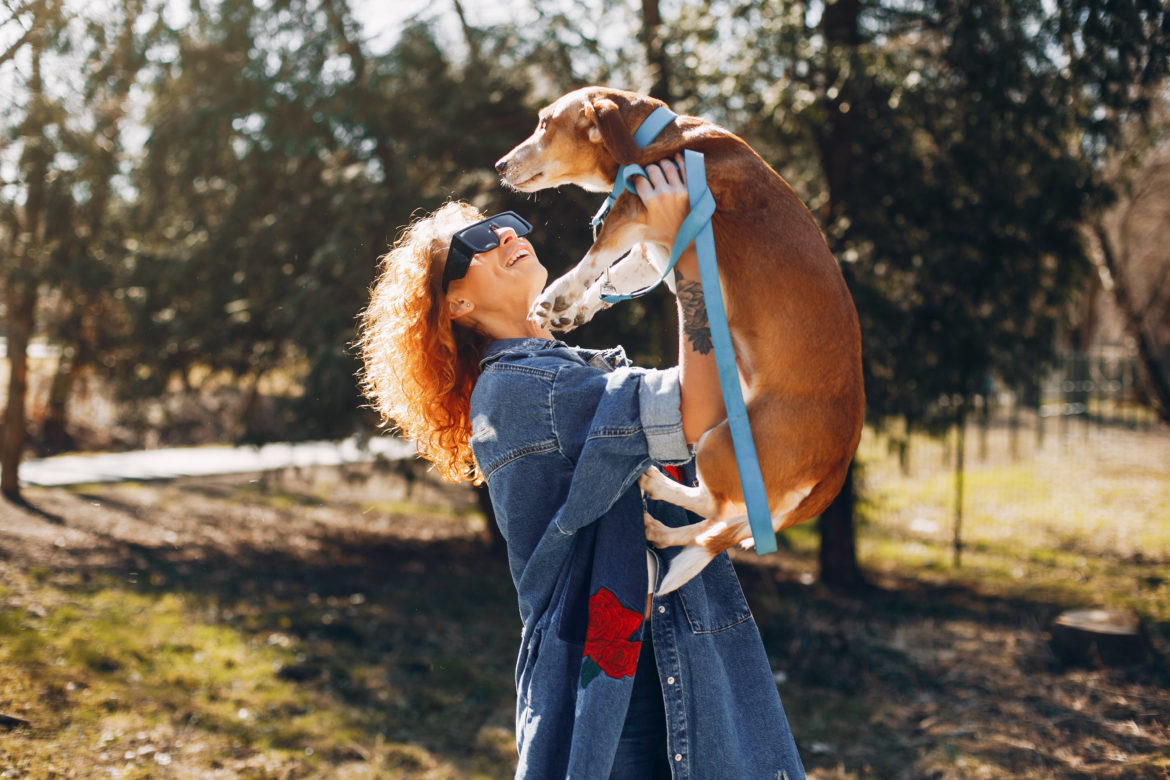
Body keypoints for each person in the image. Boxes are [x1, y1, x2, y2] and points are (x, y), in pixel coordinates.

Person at [358, 156, 805, 780]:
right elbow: (699, 409)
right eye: (477, 243)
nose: (508, 236)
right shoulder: (522, 387)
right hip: (618, 694)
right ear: (454, 302)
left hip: (656, 659)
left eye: (507, 224)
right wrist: (689, 255)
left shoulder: (560, 370)